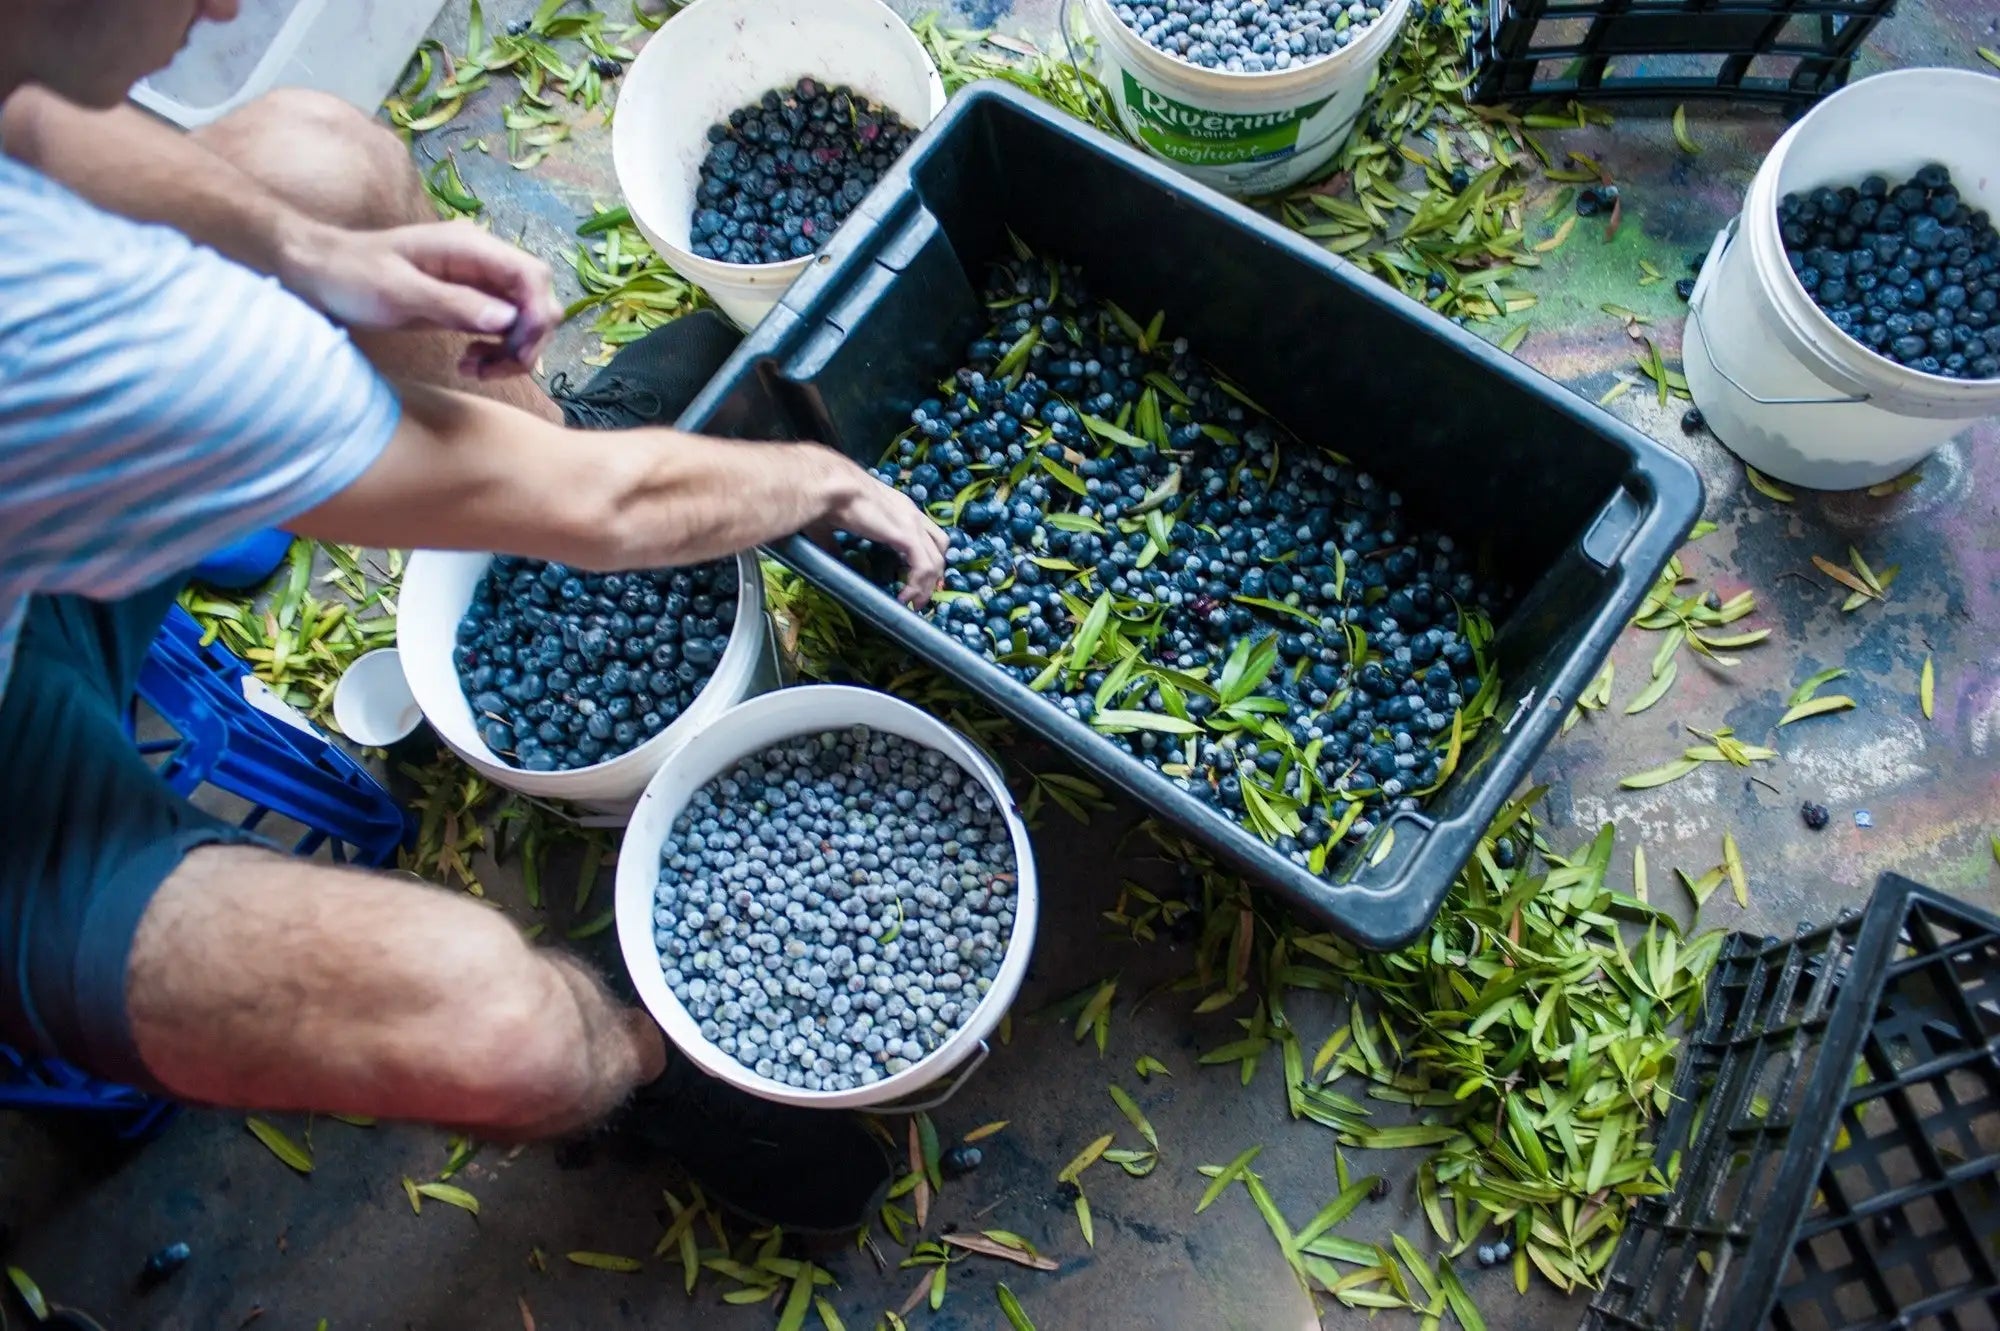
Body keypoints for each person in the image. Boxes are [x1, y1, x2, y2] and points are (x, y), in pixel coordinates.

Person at [0, 0, 941, 1225]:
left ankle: (235, 492)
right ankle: (645, 1051)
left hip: (38, 534)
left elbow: (33, 116)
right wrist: (821, 480)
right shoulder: (77, 331)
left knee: (318, 167)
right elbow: (605, 514)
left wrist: (306, 248)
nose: (225, 7)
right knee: (495, 1032)